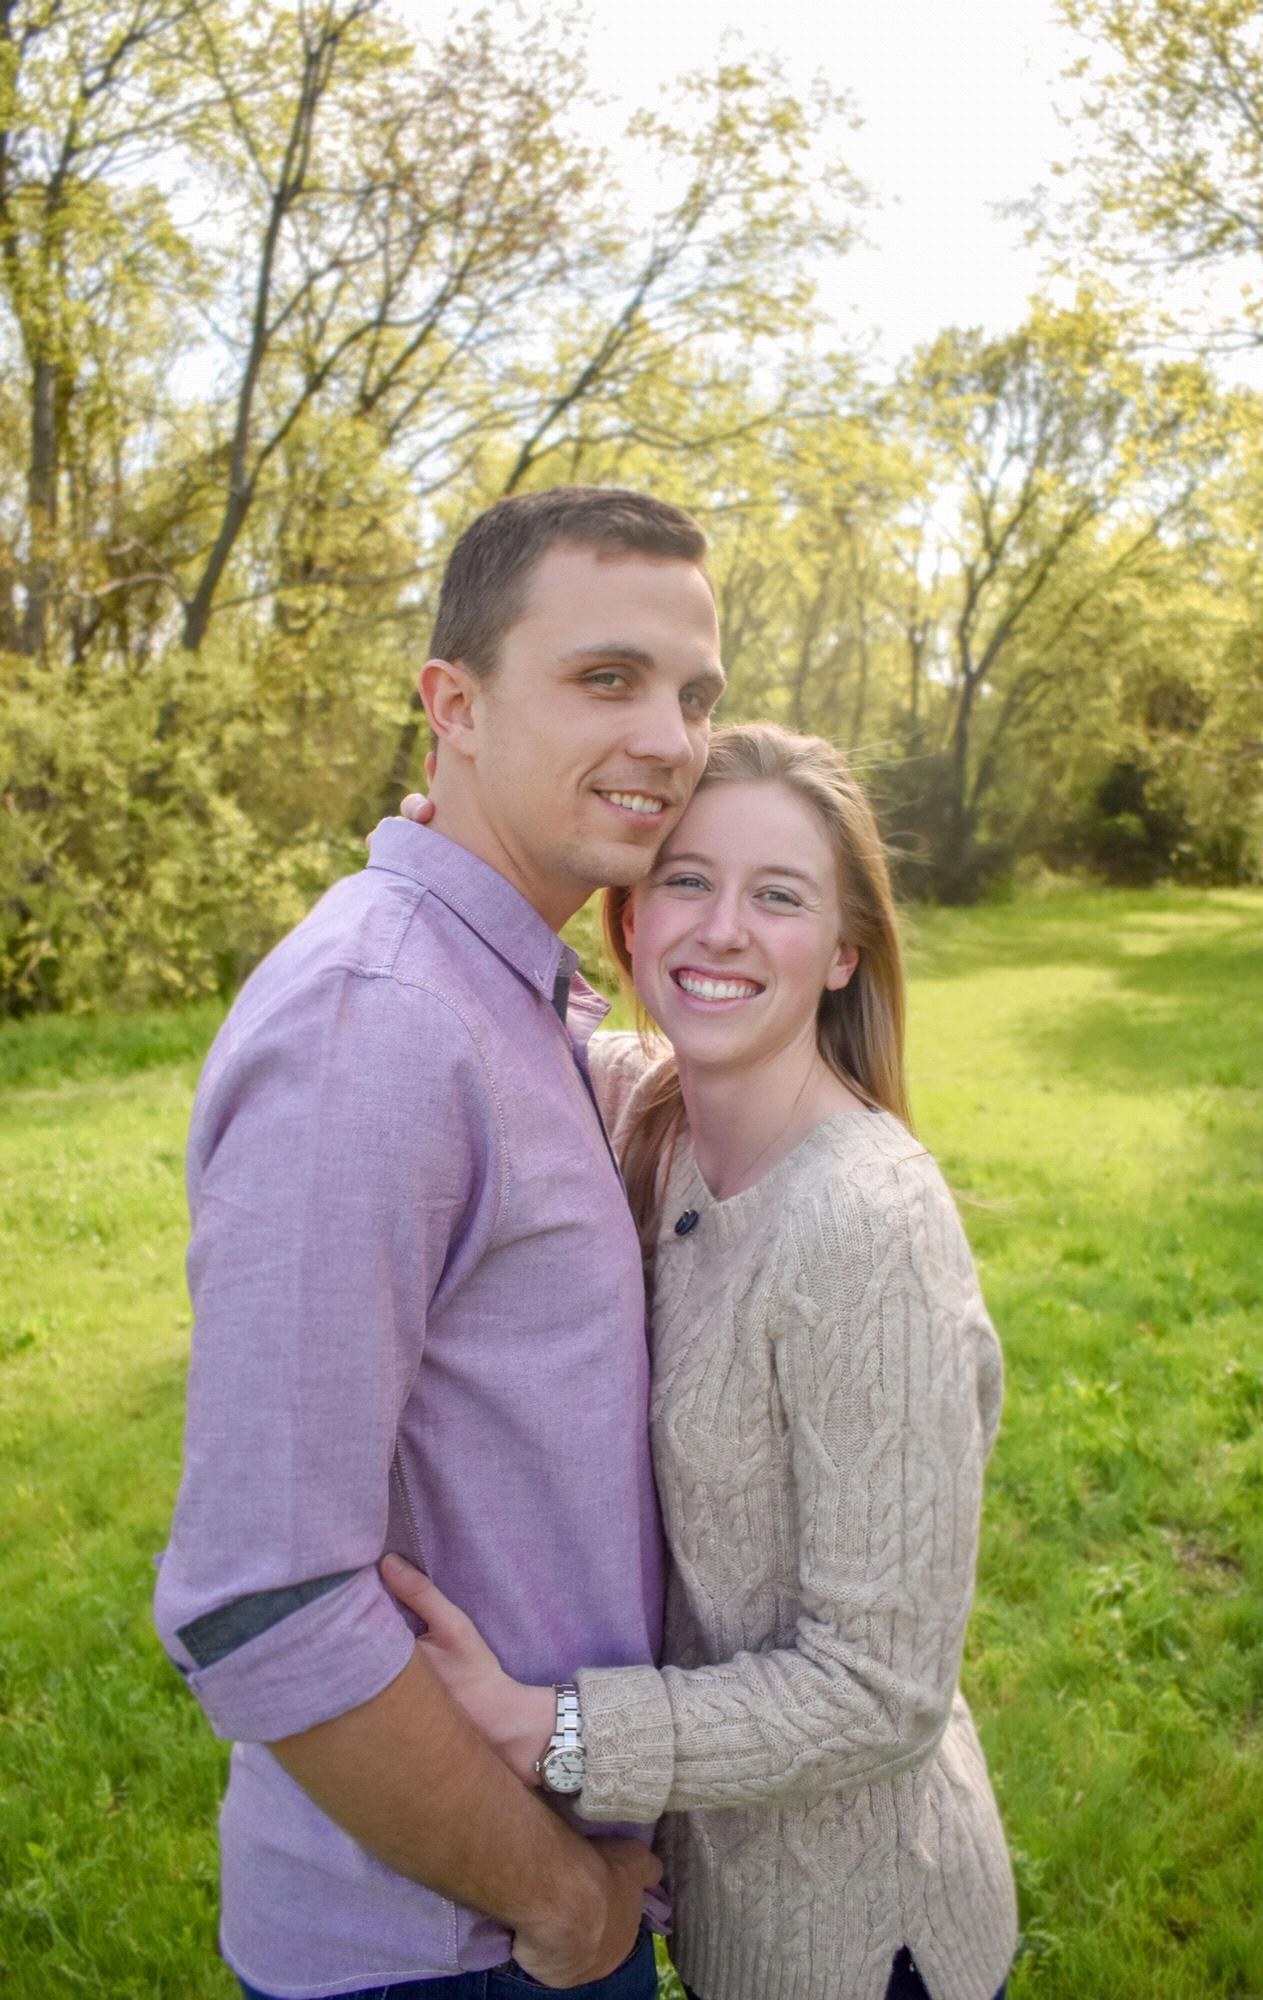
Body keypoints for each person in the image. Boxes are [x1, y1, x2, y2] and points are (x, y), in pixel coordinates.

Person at [153, 486, 728, 2000]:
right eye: (606, 677)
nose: (670, 739)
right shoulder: (382, 1025)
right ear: (453, 707)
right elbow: (262, 1598)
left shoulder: (499, 987)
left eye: (693, 694)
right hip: (451, 1941)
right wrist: (562, 1899)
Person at [384, 723, 1018, 2000]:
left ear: (843, 950)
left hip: (863, 1942)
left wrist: (547, 1727)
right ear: (633, 916)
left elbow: (880, 1689)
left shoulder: (867, 1227)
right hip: (725, 1923)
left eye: (778, 895)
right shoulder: (661, 1119)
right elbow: (550, 1026)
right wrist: (453, 864)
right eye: (687, 878)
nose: (722, 929)